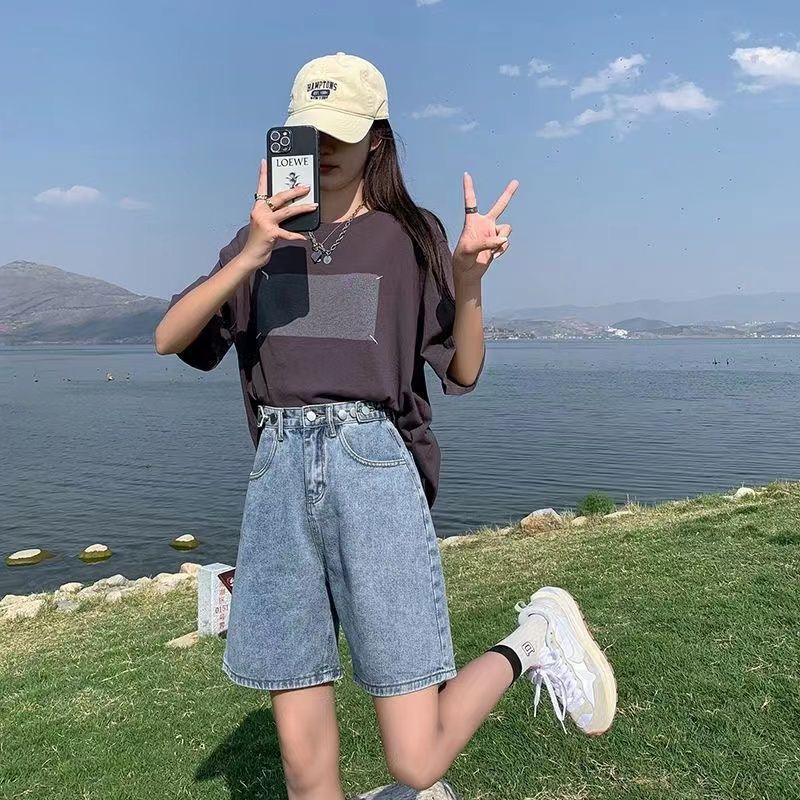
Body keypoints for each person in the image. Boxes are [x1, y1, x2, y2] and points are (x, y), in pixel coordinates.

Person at [155, 52, 616, 800]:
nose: (324, 149)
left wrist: (468, 282)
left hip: (373, 474)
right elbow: (169, 338)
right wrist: (248, 257)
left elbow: (462, 371)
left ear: (377, 136)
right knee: (305, 768)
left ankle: (532, 639)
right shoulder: (259, 242)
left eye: (341, 132)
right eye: (310, 133)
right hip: (278, 484)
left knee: (415, 761)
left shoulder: (408, 235)